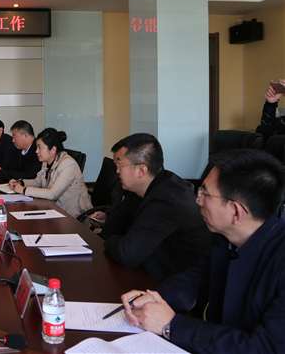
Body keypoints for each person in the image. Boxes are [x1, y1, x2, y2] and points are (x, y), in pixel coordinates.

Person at [121, 149, 285, 354]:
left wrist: (171, 325)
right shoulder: (224, 238)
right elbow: (195, 278)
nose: (197, 200)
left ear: (236, 211)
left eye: (205, 194)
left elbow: (264, 348)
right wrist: (155, 298)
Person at [101, 133, 210, 282]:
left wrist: (111, 240)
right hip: (149, 270)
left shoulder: (167, 199)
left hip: (177, 283)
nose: (117, 171)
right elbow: (111, 229)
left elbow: (127, 254)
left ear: (141, 170)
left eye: (120, 165)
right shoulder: (142, 188)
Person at [8, 128, 91, 217]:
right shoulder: (46, 161)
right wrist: (21, 182)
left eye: (40, 147)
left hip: (73, 216)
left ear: (53, 150)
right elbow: (38, 182)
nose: (36, 151)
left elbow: (53, 194)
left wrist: (23, 190)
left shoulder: (68, 164)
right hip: (54, 210)